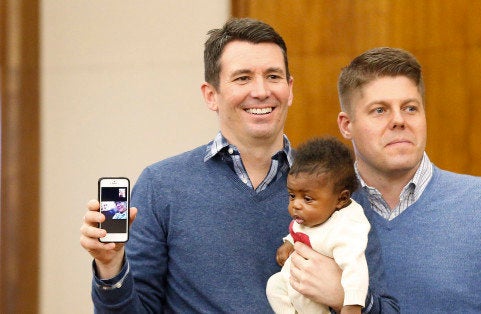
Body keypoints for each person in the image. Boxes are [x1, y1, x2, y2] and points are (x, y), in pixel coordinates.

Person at [79, 18, 397, 313]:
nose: (261, 91)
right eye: (242, 78)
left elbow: (387, 306)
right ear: (211, 95)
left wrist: (345, 297)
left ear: (290, 90)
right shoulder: (162, 186)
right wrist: (110, 268)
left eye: (273, 76)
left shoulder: (339, 186)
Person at [331, 47, 481, 312]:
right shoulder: (319, 210)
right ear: (347, 125)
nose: (399, 120)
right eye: (380, 110)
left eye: (410, 108)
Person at [266, 137, 370, 314]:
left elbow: (356, 269)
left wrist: (352, 305)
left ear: (341, 199)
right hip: (294, 276)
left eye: (307, 198)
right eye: (292, 196)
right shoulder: (311, 215)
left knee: (306, 302)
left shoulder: (347, 228)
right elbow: (299, 230)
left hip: (317, 291)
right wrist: (289, 243)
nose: (296, 205)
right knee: (274, 285)